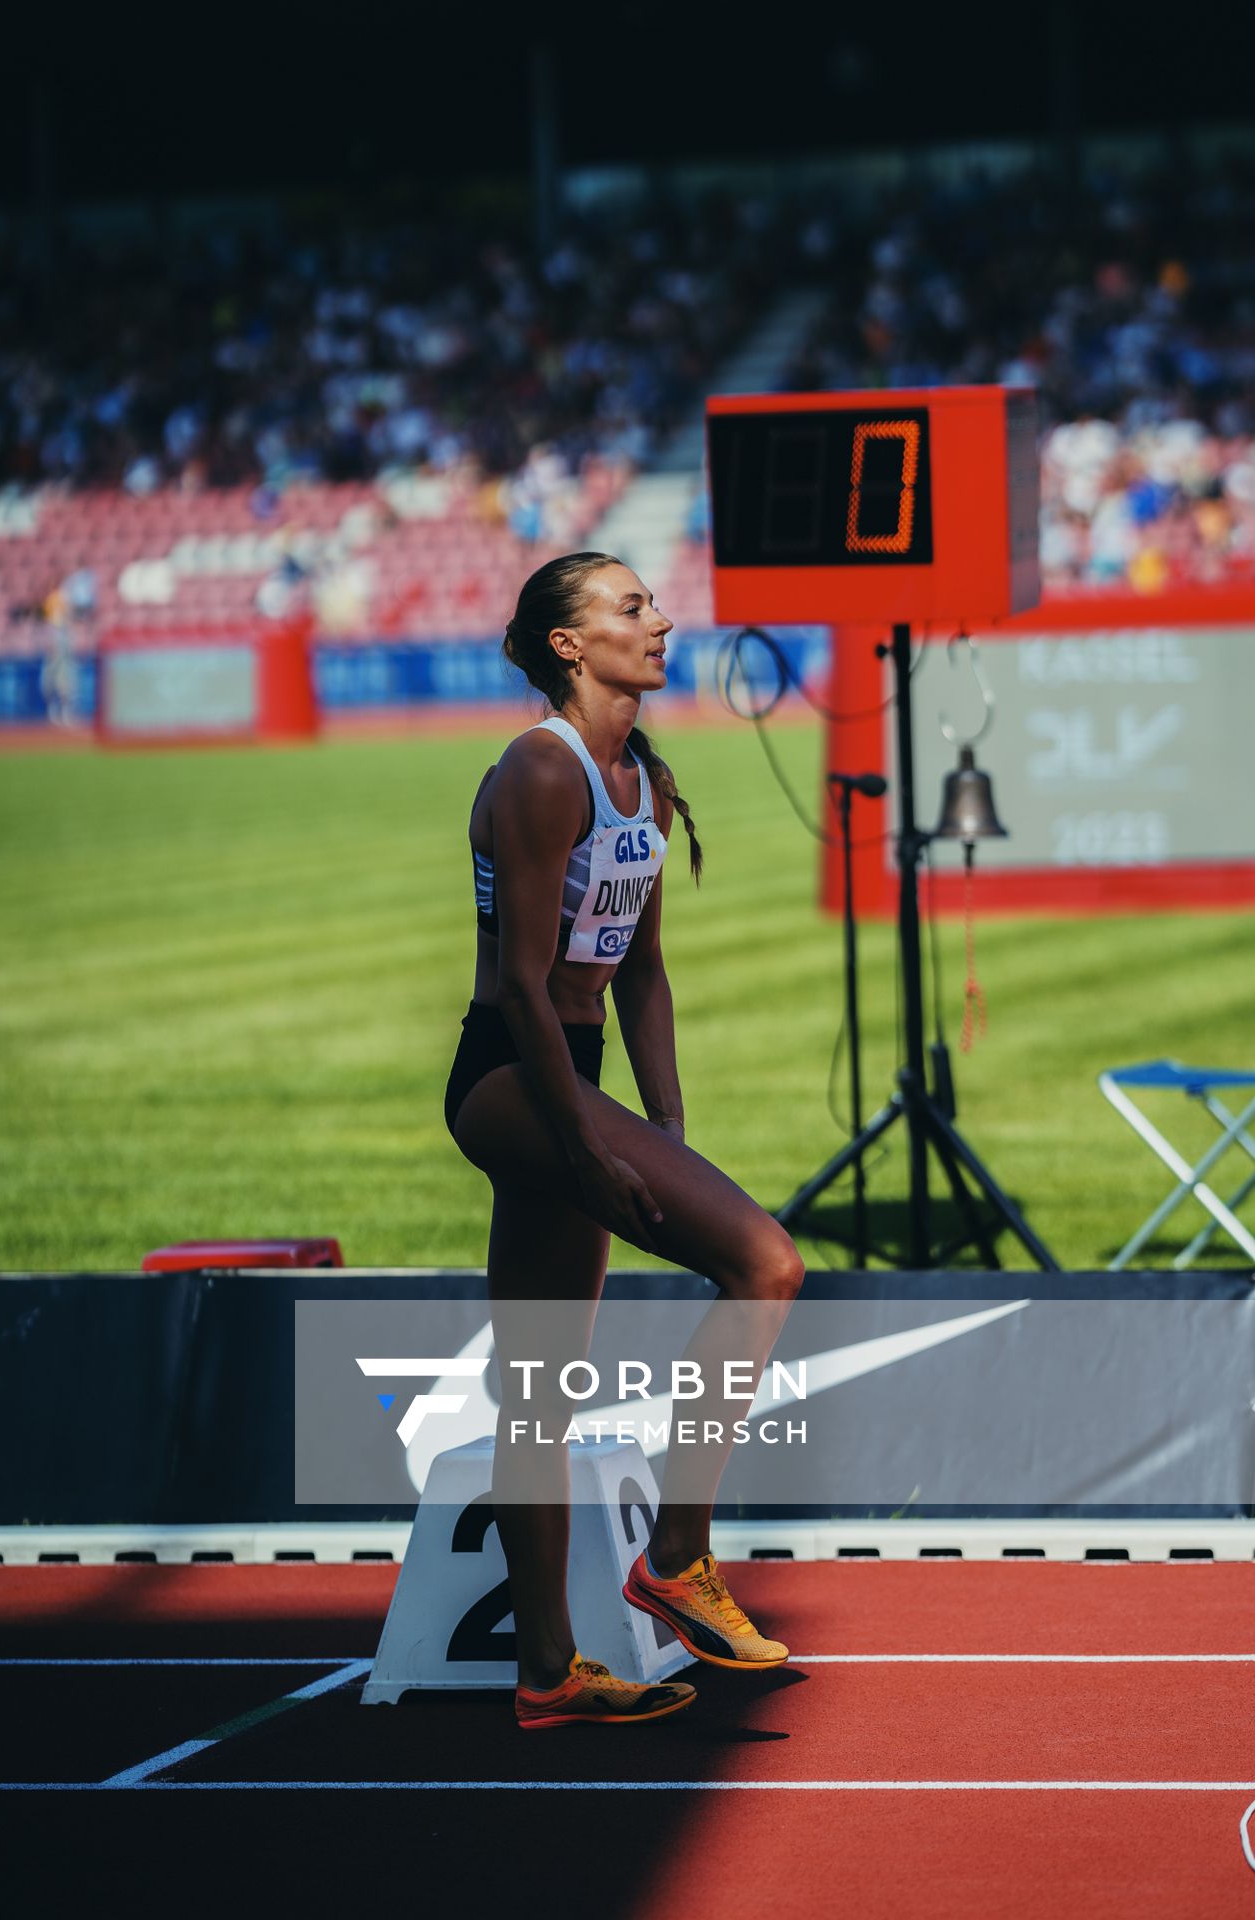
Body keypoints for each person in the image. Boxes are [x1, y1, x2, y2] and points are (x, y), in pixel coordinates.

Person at [444, 550, 805, 1732]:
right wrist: (587, 1145)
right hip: (513, 1070)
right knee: (764, 1263)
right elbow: (519, 985)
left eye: (653, 605)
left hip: (576, 1069)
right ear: (566, 644)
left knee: (536, 1384)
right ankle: (677, 1556)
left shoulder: (637, 775)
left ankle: (547, 1674)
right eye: (630, 608)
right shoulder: (541, 773)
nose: (660, 622)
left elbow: (640, 973)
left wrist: (664, 1123)